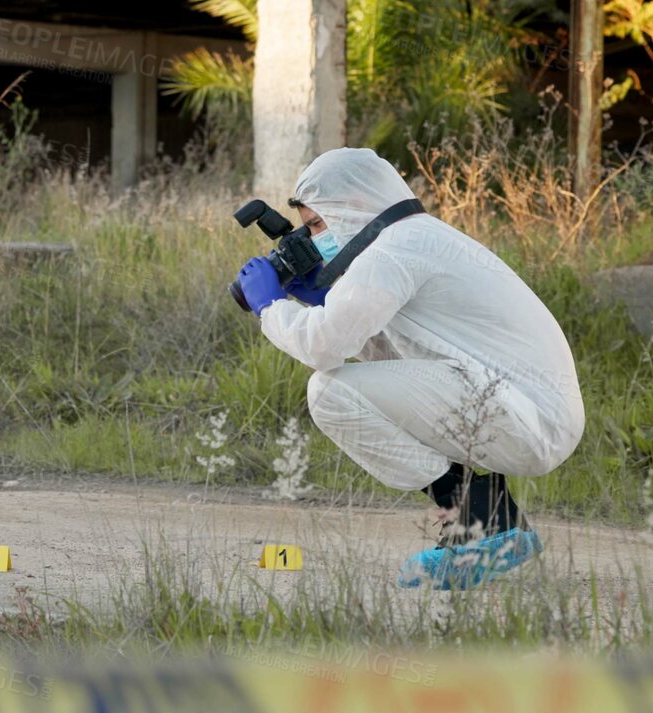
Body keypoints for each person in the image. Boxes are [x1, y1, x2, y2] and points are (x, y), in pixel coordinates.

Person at [234, 147, 585, 588]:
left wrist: (270, 305)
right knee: (356, 389)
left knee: (328, 391)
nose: (317, 239)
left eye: (318, 224)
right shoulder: (415, 238)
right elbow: (400, 366)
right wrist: (324, 302)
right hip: (525, 411)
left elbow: (321, 349)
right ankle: (494, 520)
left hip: (524, 417)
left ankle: (481, 526)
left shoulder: (394, 250)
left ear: (354, 207)